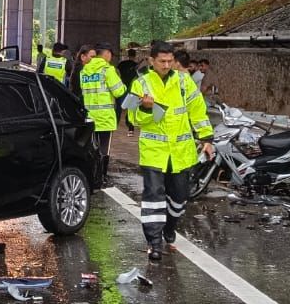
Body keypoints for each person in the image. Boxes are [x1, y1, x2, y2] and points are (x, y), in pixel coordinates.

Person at [127, 41, 214, 263]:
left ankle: (170, 226)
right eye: (162, 61)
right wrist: (145, 108)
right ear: (151, 61)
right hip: (154, 152)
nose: (166, 65)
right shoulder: (141, 84)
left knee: (179, 196)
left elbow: (198, 111)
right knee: (153, 197)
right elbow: (133, 119)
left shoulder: (184, 82)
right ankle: (154, 242)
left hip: (181, 152)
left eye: (169, 61)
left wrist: (206, 138)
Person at [80, 43, 126, 174]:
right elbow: (119, 91)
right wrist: (122, 85)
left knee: (92, 148)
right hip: (105, 117)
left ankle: (92, 174)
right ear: (107, 53)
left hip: (90, 117)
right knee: (104, 149)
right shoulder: (108, 70)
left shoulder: (84, 71)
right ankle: (101, 176)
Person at [116, 47, 140, 136]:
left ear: (128, 55)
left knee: (119, 107)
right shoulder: (136, 65)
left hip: (122, 88)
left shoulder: (121, 64)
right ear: (135, 55)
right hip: (132, 88)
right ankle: (130, 129)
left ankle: (115, 125)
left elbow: (117, 73)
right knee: (131, 109)